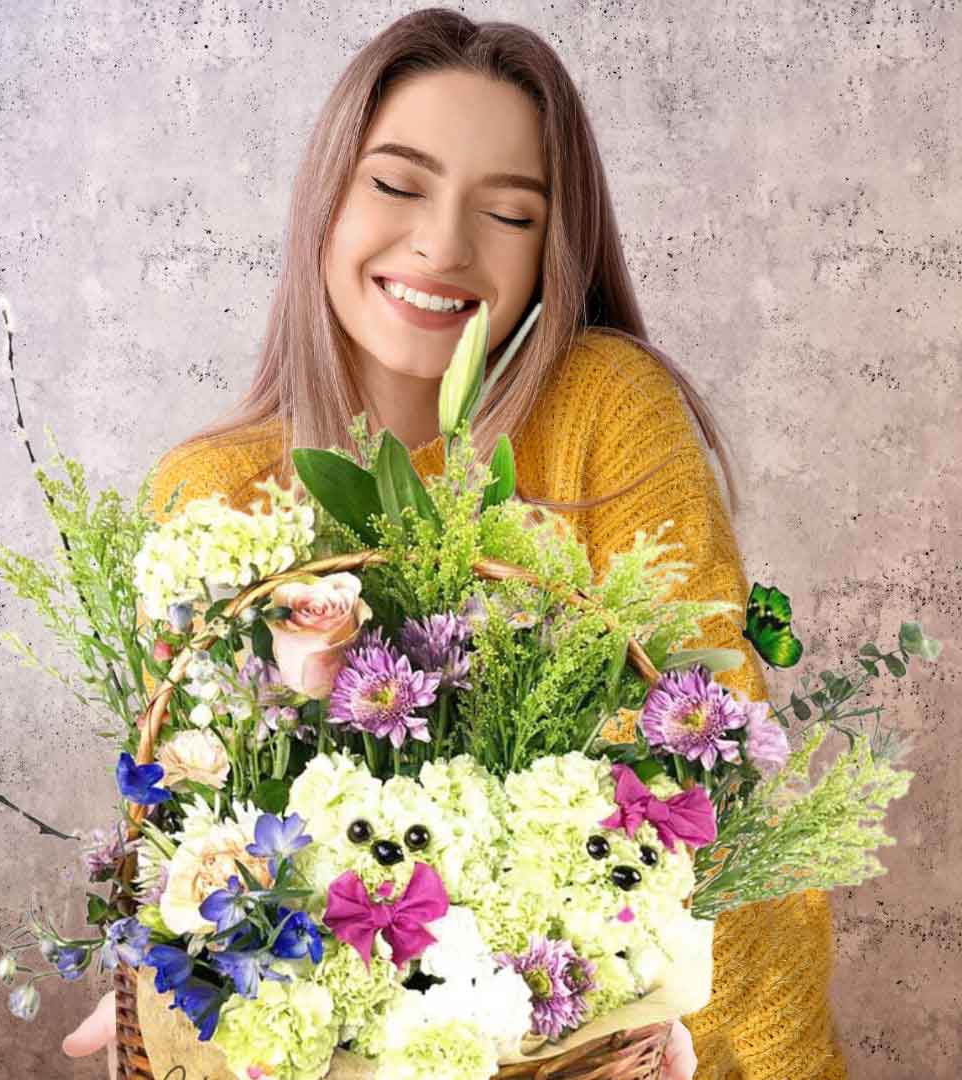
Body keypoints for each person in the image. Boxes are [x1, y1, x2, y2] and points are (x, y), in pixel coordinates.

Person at [64, 9, 849, 1079]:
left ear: (551, 254)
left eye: (510, 213)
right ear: (325, 200)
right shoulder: (213, 495)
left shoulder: (601, 410)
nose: (442, 244)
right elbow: (181, 831)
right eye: (396, 185)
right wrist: (173, 974)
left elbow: (710, 765)